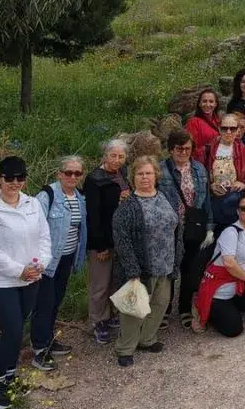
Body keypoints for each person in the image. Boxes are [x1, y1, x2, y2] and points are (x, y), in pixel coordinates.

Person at [0, 157, 50, 408]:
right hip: (2, 283)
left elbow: (44, 237)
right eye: (10, 178)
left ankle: (9, 376)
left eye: (20, 178)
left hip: (32, 278)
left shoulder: (33, 204)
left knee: (19, 330)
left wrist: (41, 263)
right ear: (0, 178)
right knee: (12, 331)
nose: (15, 183)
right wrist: (19, 270)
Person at [112, 156, 181, 367]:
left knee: (159, 305)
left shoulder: (165, 197)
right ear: (133, 177)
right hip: (142, 267)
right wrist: (133, 270)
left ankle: (147, 339)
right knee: (134, 310)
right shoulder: (128, 207)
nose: (145, 177)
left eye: (149, 173)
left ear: (156, 175)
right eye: (140, 174)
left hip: (166, 263)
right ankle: (125, 348)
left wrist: (177, 257)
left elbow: (177, 226)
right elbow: (121, 240)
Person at [30, 156, 88, 371]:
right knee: (44, 304)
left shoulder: (80, 198)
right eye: (68, 172)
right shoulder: (47, 196)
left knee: (55, 301)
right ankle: (39, 349)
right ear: (59, 174)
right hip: (47, 261)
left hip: (67, 258)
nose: (72, 177)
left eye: (77, 173)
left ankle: (48, 339)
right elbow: (33, 227)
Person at [156, 129, 212, 330]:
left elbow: (206, 201)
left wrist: (209, 226)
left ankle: (185, 308)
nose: (183, 152)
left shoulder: (199, 170)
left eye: (187, 148)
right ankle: (165, 309)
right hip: (169, 227)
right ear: (171, 149)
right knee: (169, 270)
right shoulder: (160, 170)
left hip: (192, 227)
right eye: (179, 148)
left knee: (189, 270)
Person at [196, 193, 245, 337]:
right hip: (220, 291)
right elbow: (229, 263)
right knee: (234, 330)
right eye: (244, 208)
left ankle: (232, 306)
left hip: (238, 285)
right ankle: (208, 308)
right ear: (238, 211)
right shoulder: (231, 232)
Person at [85, 139, 131, 344]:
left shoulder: (123, 174)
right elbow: (93, 214)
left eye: (121, 156)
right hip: (102, 239)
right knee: (100, 284)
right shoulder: (94, 179)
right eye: (113, 155)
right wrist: (99, 245)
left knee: (114, 280)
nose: (117, 160)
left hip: (119, 237)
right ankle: (98, 321)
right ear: (105, 155)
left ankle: (110, 315)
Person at [207, 113, 245, 239]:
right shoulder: (208, 150)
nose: (228, 132)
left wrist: (243, 183)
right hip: (213, 202)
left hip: (233, 204)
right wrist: (210, 186)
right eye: (224, 128)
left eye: (232, 128)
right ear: (219, 129)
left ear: (238, 130)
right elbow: (199, 176)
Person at [185, 89, 222, 171]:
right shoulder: (193, 122)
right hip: (202, 167)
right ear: (199, 104)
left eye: (211, 101)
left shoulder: (219, 122)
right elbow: (191, 149)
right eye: (204, 101)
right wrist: (208, 147)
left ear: (216, 104)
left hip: (219, 165)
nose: (208, 104)